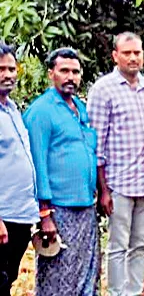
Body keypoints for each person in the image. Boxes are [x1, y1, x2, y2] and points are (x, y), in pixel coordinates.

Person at [88, 32, 144, 296]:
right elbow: (95, 143)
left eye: (137, 53)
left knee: (140, 245)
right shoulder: (103, 89)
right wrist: (103, 190)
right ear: (115, 56)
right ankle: (118, 293)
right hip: (118, 185)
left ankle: (135, 291)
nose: (133, 58)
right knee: (118, 245)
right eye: (127, 53)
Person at [24, 48, 99, 295]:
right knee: (57, 278)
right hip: (58, 211)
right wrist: (45, 215)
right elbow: (37, 164)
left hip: (85, 208)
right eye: (64, 70)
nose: (71, 77)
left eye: (75, 72)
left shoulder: (79, 107)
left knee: (86, 275)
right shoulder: (41, 111)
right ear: (51, 74)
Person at [0, 42, 38, 296]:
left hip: (20, 215)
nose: (8, 74)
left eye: (12, 68)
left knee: (8, 278)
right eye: (1, 69)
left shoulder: (12, 109)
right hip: (3, 217)